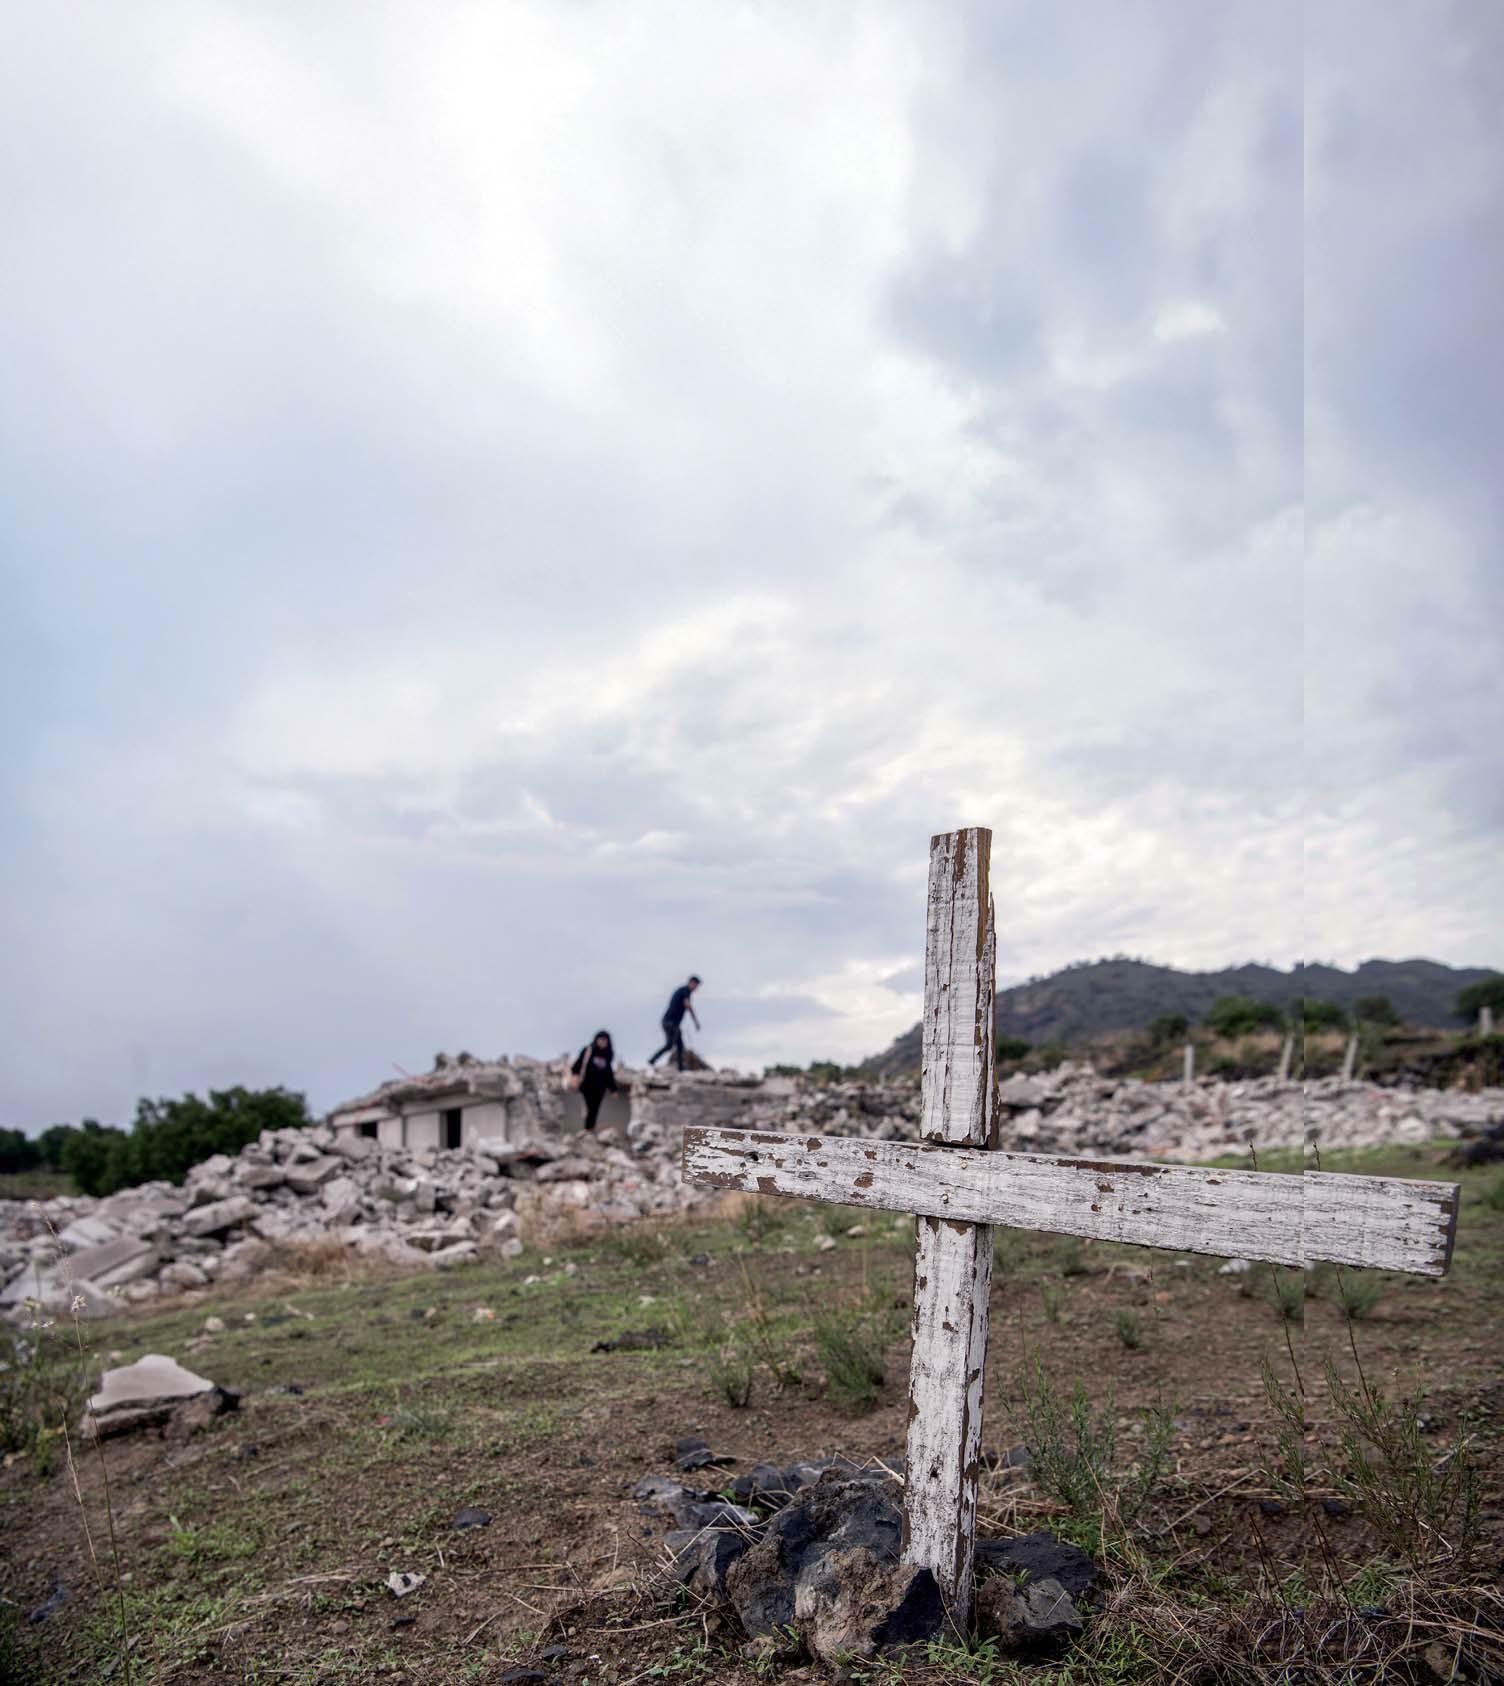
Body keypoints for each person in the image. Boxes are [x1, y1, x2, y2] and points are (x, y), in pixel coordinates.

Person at [648, 975, 701, 1071]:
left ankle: (680, 1069)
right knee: (671, 1045)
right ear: (691, 983)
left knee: (679, 1046)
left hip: (670, 1023)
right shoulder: (685, 990)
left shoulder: (683, 991)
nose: (696, 989)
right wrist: (696, 1021)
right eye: (696, 986)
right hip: (669, 1023)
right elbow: (687, 1005)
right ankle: (652, 1060)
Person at [570, 1030, 619, 1132]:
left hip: (600, 1087)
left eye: (605, 1040)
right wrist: (574, 1077)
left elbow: (609, 1073)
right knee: (590, 1107)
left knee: (594, 1109)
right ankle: (587, 1129)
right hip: (586, 1084)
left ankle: (589, 1129)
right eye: (601, 1040)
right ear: (596, 1040)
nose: (603, 1042)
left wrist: (613, 1089)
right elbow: (577, 1065)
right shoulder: (588, 1050)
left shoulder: (608, 1054)